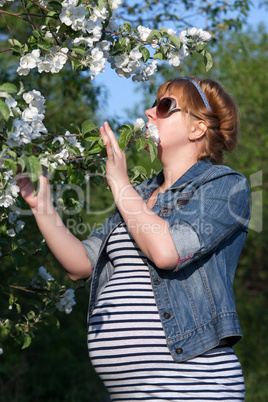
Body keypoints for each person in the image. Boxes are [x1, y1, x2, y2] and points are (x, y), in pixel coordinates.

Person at [17, 77, 251, 401]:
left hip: (193, 385)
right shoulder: (139, 197)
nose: (149, 111)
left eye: (165, 106)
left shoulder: (227, 186)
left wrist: (118, 180)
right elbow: (81, 264)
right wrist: (40, 204)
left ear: (197, 128)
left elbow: (167, 251)